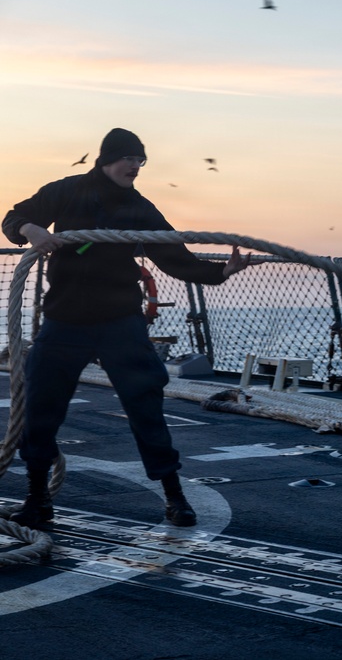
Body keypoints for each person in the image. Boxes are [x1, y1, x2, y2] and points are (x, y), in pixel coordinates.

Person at [2, 128, 254, 529]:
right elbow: (14, 216)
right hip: (65, 320)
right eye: (129, 158)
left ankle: (174, 497)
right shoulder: (65, 191)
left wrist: (221, 271)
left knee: (145, 405)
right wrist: (29, 231)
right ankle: (37, 499)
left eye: (141, 160)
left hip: (120, 320)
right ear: (107, 159)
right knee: (40, 405)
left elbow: (174, 256)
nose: (136, 166)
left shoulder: (140, 209)